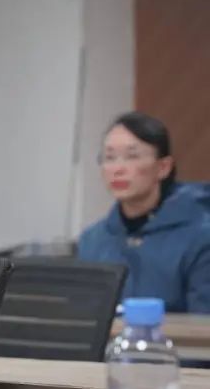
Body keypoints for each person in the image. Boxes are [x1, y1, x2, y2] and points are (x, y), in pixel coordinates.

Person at [78, 111, 210, 314]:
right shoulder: (93, 240)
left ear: (163, 167)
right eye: (109, 157)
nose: (118, 169)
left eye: (132, 156)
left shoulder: (201, 236)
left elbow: (203, 324)